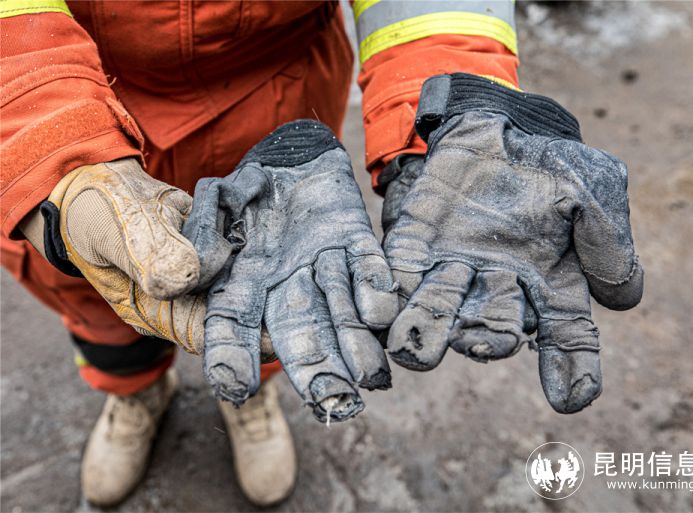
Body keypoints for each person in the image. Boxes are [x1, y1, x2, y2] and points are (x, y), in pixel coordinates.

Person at [1, 0, 641, 507]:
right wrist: (48, 146)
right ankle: (133, 392)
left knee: (282, 292)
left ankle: (249, 395)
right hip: (72, 98)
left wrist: (455, 119)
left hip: (272, 102)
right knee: (100, 289)